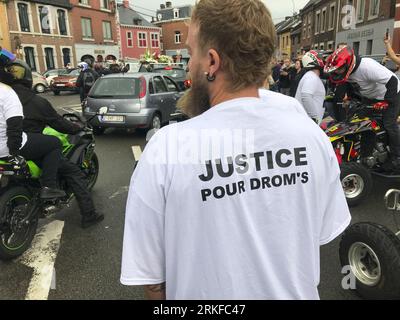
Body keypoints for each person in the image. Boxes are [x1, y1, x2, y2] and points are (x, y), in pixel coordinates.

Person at [120, 0, 351, 300]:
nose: (189, 65)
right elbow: (318, 234)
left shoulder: (166, 149)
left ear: (212, 62)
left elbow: (153, 281)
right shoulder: (312, 136)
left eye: (191, 53)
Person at [6, 59, 104, 228]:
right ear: (29, 79)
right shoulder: (37, 102)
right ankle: (88, 215)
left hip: (7, 148)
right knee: (73, 172)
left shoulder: (4, 97)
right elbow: (58, 123)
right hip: (30, 148)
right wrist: (76, 128)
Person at [0, 48, 65, 199]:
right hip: (6, 147)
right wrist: (14, 154)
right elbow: (14, 126)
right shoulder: (7, 92)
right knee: (54, 143)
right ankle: (49, 186)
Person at [325, 46, 400, 170]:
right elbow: (352, 84)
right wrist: (349, 98)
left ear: (348, 63)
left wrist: (388, 101)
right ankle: (366, 155)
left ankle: (396, 158)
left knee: (389, 124)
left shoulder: (367, 66)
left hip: (391, 94)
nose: (337, 72)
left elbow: (393, 81)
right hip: (370, 97)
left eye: (339, 69)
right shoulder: (346, 71)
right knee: (360, 122)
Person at [294, 51, 326, 124]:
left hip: (306, 120)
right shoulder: (311, 77)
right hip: (308, 121)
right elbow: (306, 96)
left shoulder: (310, 76)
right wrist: (314, 117)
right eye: (319, 58)